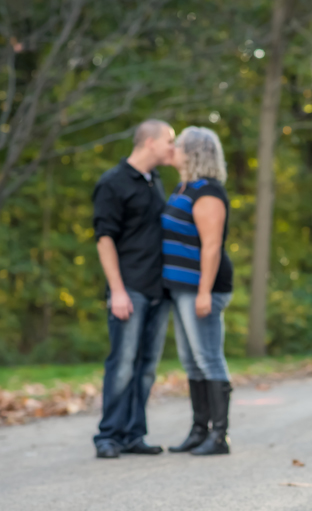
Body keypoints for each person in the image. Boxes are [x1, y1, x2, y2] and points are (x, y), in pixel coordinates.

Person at [91, 119, 175, 459]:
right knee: (122, 364)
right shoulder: (112, 183)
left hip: (159, 290)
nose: (173, 148)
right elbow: (104, 238)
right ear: (150, 142)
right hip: (130, 289)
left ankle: (133, 434)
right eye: (169, 141)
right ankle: (108, 436)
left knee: (146, 367)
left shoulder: (154, 181)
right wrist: (118, 291)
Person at [162, 127, 234, 456]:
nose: (172, 150)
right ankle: (198, 430)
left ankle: (219, 437)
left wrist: (204, 291)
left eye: (178, 146)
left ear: (193, 153)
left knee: (208, 359)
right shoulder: (184, 188)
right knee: (191, 362)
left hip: (201, 287)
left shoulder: (208, 192)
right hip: (180, 288)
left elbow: (211, 246)